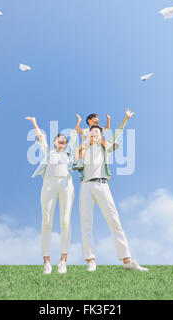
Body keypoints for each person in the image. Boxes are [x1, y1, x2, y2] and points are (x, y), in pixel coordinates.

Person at [74, 109, 148, 272]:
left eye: (97, 132)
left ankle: (127, 260)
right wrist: (83, 146)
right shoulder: (82, 149)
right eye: (92, 131)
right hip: (85, 186)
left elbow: (117, 134)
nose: (94, 132)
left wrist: (125, 119)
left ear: (100, 136)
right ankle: (90, 260)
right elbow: (75, 162)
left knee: (114, 221)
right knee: (86, 223)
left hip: (102, 185)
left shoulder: (104, 149)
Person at [26, 116, 77, 274]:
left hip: (66, 185)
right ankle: (46, 261)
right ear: (55, 142)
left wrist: (77, 122)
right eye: (59, 139)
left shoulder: (68, 154)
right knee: (46, 222)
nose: (62, 141)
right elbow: (40, 138)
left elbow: (74, 137)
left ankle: (63, 260)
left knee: (65, 221)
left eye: (64, 140)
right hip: (49, 185)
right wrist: (34, 122)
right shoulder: (49, 152)